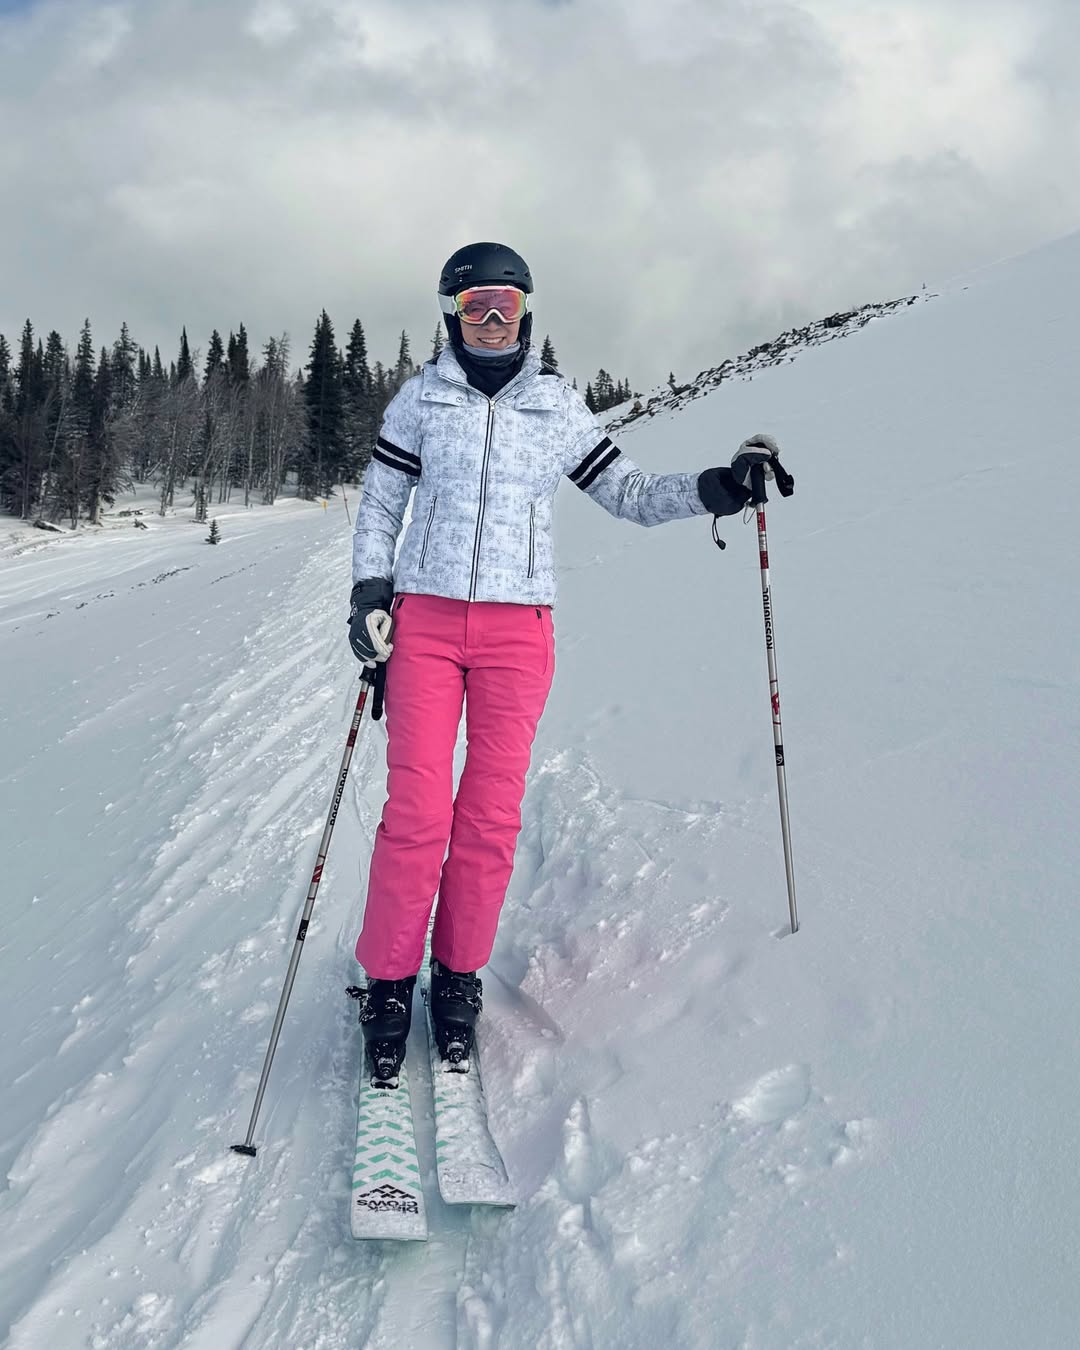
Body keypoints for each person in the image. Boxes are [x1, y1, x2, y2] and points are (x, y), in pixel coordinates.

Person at [348, 241, 782, 1087]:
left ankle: (458, 981)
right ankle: (391, 984)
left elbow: (624, 491)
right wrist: (370, 588)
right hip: (428, 623)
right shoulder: (419, 402)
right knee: (418, 813)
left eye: (505, 304)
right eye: (476, 307)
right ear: (452, 316)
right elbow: (380, 507)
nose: (492, 320)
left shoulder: (555, 408)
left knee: (490, 819)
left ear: (527, 311)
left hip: (518, 635)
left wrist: (714, 489)